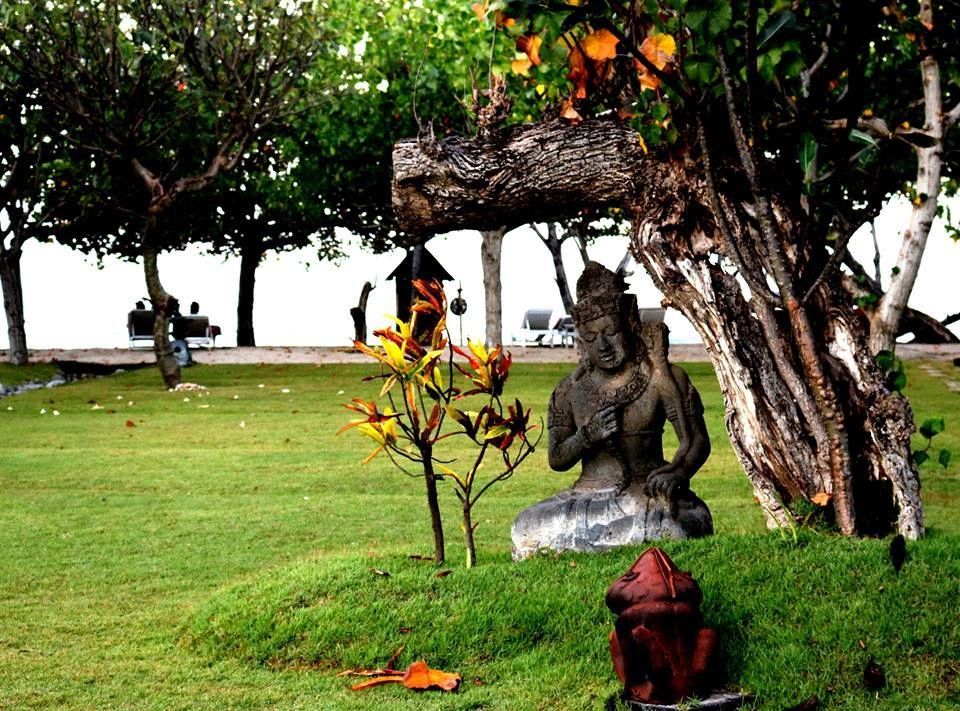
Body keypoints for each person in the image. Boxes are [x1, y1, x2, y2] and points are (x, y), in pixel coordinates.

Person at [511, 262, 712, 559]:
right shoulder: (569, 390)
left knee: (672, 523)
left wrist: (678, 474)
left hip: (645, 494)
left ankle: (589, 542)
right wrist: (586, 436)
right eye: (591, 337)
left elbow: (697, 442)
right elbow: (557, 459)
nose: (603, 345)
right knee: (525, 525)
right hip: (584, 499)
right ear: (582, 340)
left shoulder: (662, 378)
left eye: (611, 332)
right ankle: (607, 538)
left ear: (629, 326)